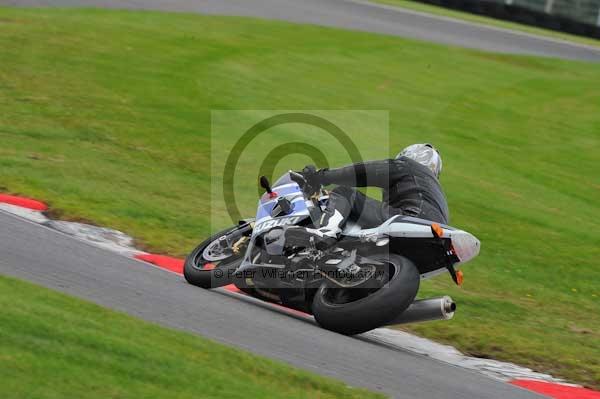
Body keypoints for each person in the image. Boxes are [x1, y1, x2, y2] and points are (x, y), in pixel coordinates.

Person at [286, 143, 449, 249]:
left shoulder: (406, 166)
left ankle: (326, 232)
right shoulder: (436, 193)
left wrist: (321, 177)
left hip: (410, 220)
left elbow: (364, 172)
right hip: (434, 239)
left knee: (345, 192)